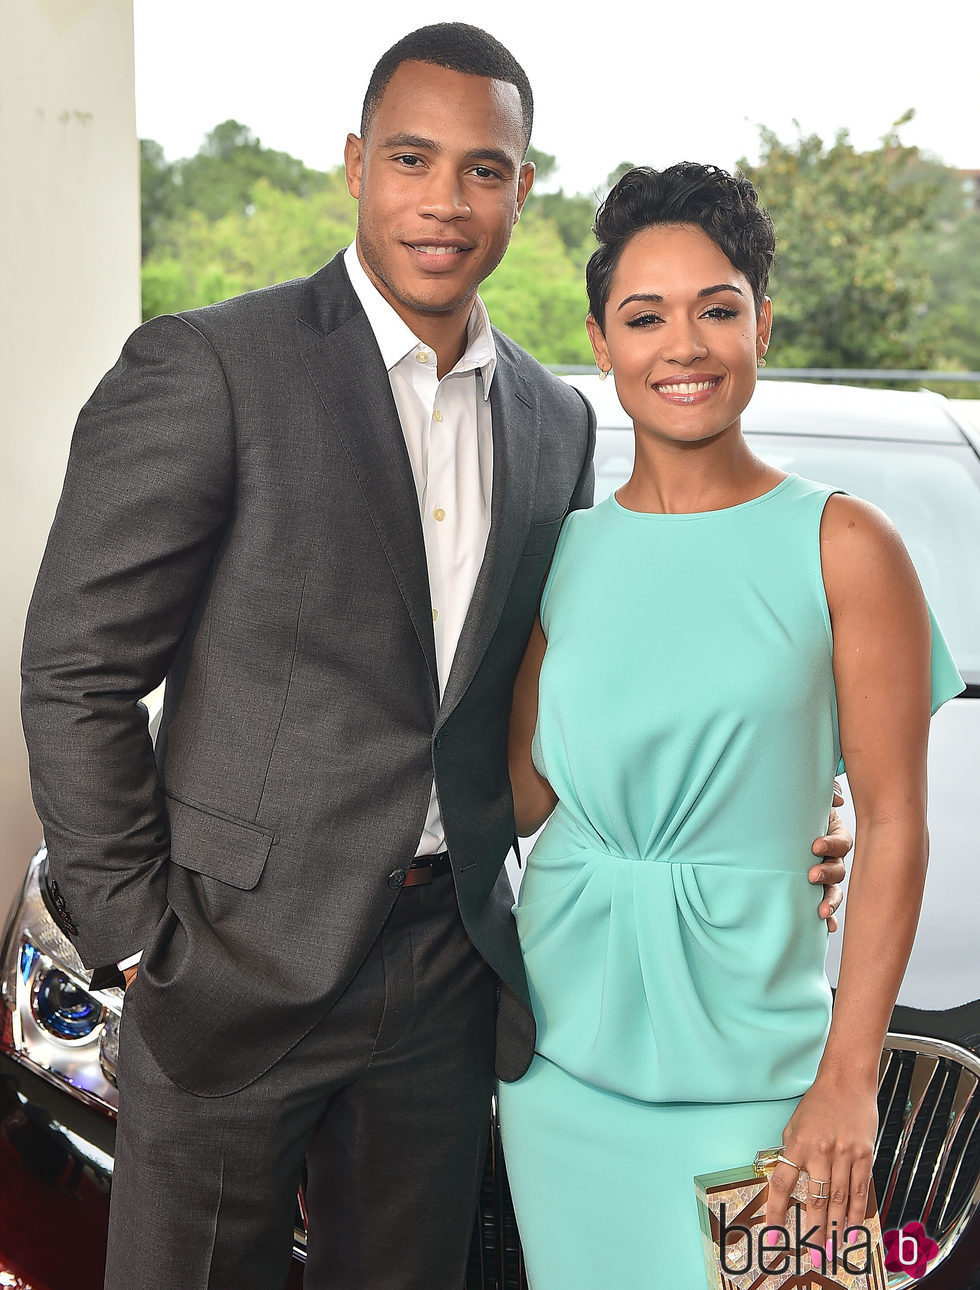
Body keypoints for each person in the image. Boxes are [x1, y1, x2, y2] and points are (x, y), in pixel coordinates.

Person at [18, 26, 849, 1288]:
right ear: (356, 163)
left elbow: (574, 694)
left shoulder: (555, 421)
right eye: (413, 158)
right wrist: (140, 937)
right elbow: (75, 667)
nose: (445, 202)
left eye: (483, 169)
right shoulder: (212, 368)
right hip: (230, 969)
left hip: (447, 970)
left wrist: (777, 804)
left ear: (522, 188)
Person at [500, 162, 963, 1288]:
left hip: (768, 1078)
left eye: (716, 308)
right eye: (643, 316)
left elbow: (897, 821)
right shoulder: (565, 553)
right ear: (601, 344)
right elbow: (517, 798)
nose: (684, 346)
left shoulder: (843, 544)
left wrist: (847, 1077)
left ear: (760, 321)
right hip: (555, 1070)